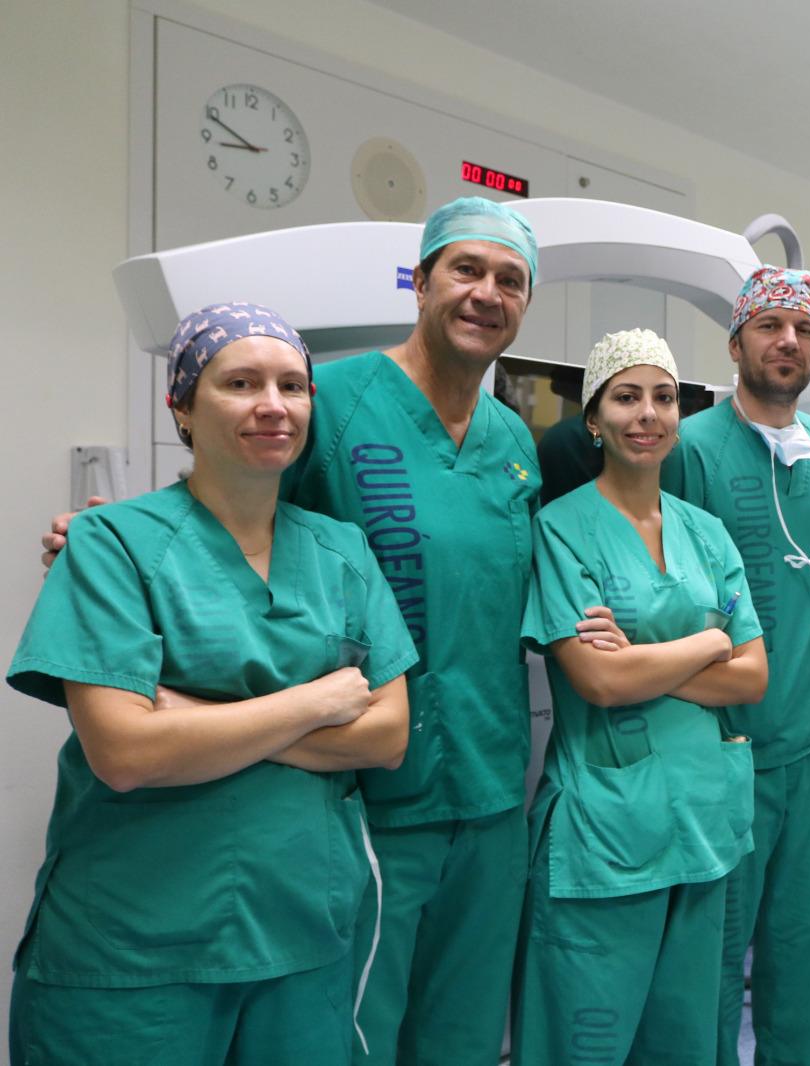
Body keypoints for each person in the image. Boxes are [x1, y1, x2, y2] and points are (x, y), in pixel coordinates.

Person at [39, 196, 550, 1063]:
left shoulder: (514, 443)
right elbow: (227, 502)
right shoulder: (332, 400)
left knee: (463, 1040)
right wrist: (107, 543)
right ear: (421, 281)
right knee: (358, 1035)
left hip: (491, 783)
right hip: (368, 796)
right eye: (466, 269)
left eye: (510, 279)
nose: (486, 293)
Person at [8, 304, 416, 1064]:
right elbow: (126, 754)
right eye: (241, 383)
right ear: (183, 408)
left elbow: (389, 736)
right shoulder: (110, 542)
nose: (273, 405)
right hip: (133, 947)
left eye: (291, 386)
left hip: (304, 936)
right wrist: (315, 702)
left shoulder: (342, 550)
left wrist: (190, 719)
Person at [513, 328, 768, 1065]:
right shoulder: (561, 530)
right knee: (583, 1044)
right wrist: (710, 642)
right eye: (626, 397)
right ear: (594, 418)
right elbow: (599, 682)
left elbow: (754, 676)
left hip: (704, 821)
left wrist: (642, 659)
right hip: (606, 828)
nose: (647, 413)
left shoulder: (708, 534)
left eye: (663, 397)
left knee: (681, 1044)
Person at [661, 265, 810, 1066]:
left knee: (802, 948)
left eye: (804, 329)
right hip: (723, 748)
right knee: (712, 958)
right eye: (769, 325)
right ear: (736, 343)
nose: (787, 341)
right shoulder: (690, 448)